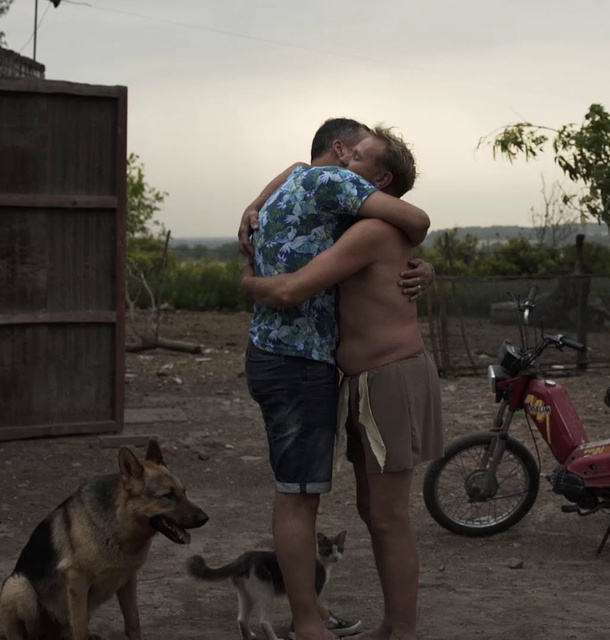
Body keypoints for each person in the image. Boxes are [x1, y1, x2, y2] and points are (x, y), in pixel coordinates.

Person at [241, 126, 443, 640]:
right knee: (373, 511)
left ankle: (401, 631)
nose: (342, 159)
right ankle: (393, 627)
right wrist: (257, 201)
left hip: (387, 378)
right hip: (364, 381)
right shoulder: (350, 221)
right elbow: (300, 170)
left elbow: (290, 290)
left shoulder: (369, 231)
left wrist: (247, 282)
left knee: (388, 515)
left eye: (357, 157)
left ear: (380, 181)